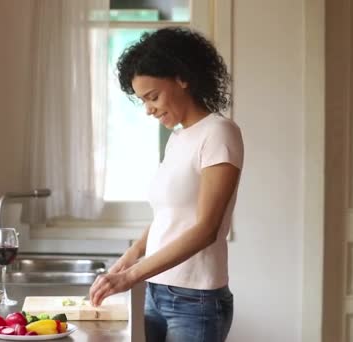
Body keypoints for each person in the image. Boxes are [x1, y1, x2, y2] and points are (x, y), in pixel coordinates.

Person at [88, 27, 243, 342]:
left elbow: (206, 229)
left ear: (182, 78)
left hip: (194, 299)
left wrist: (131, 276)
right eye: (142, 100)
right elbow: (168, 217)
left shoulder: (219, 133)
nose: (148, 109)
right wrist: (128, 259)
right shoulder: (178, 138)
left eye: (153, 96)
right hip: (157, 291)